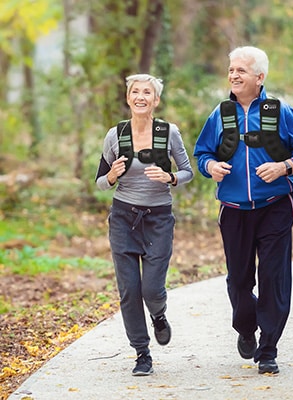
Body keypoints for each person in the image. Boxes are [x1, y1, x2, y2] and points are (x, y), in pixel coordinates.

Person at [194, 46, 293, 375]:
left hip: (275, 207)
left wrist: (285, 167)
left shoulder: (281, 112)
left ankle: (268, 349)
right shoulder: (219, 115)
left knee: (273, 278)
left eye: (241, 71)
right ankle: (246, 328)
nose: (234, 75)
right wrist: (211, 167)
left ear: (259, 77)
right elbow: (202, 153)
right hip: (233, 209)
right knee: (238, 281)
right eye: (231, 69)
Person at [95, 74, 193, 376]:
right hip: (124, 218)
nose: (140, 96)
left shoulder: (168, 132)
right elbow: (100, 183)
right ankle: (141, 352)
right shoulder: (116, 135)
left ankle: (159, 315)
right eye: (135, 92)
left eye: (147, 92)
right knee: (128, 289)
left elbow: (188, 171)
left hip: (159, 219)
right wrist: (111, 175)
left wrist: (171, 177)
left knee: (151, 288)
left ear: (156, 100)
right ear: (128, 98)